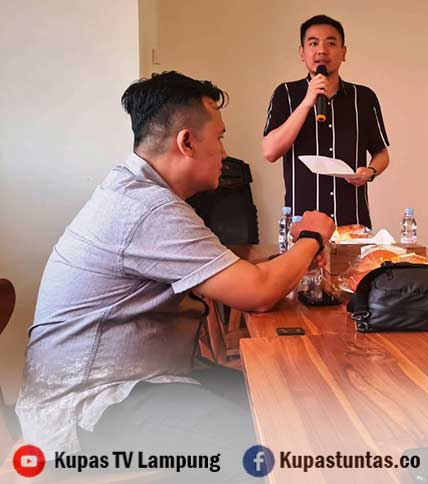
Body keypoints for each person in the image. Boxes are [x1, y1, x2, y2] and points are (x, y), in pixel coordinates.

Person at [16, 71, 335, 480]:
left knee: (288, 403)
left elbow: (238, 277)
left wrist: (289, 259)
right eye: (219, 137)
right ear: (187, 142)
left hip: (135, 385)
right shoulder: (148, 208)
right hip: (89, 408)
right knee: (274, 442)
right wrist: (312, 236)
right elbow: (258, 292)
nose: (225, 152)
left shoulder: (138, 192)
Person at [262, 14, 390, 228]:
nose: (321, 50)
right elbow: (270, 152)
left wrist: (370, 172)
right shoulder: (286, 93)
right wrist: (307, 102)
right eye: (313, 43)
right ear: (302, 53)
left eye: (331, 43)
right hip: (303, 223)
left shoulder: (364, 97)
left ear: (343, 52)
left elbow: (382, 153)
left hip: (353, 222)